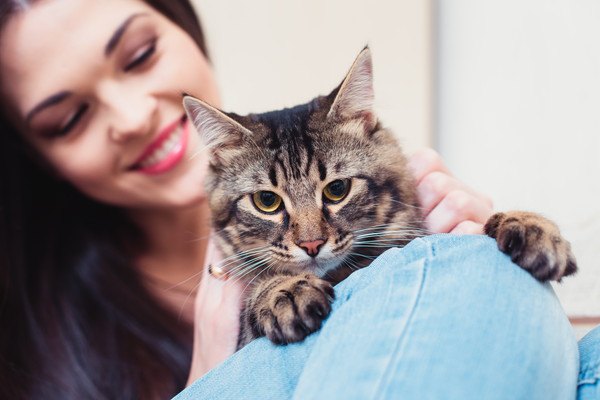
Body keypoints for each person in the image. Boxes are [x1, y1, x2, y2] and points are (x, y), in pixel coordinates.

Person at [0, 0, 585, 399]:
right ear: (33, 158)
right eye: (69, 117)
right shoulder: (27, 353)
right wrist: (209, 377)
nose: (310, 237)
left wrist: (494, 254)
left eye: (138, 55)